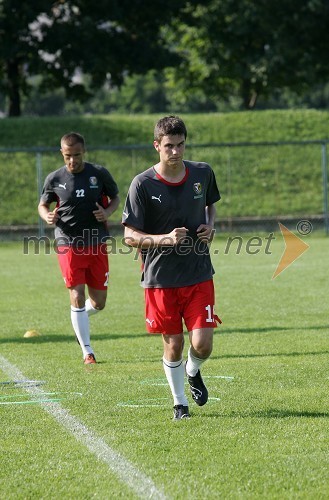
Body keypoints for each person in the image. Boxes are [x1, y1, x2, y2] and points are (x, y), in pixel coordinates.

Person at [122, 115, 221, 420]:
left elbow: (210, 204)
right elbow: (128, 236)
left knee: (202, 344)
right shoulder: (142, 183)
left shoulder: (202, 173)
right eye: (168, 146)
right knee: (174, 343)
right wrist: (163, 239)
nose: (175, 151)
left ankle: (193, 372)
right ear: (157, 146)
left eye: (180, 145)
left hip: (198, 273)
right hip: (160, 279)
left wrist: (210, 226)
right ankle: (180, 404)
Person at [38, 132, 120, 364]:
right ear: (62, 154)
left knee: (98, 302)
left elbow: (114, 198)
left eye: (76, 155)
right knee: (76, 293)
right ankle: (87, 351)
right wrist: (47, 216)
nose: (72, 161)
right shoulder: (54, 178)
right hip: (68, 241)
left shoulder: (99, 174)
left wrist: (107, 212)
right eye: (67, 156)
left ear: (83, 152)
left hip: (96, 242)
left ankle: (78, 317)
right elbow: (43, 204)